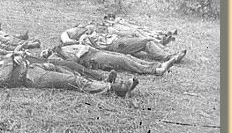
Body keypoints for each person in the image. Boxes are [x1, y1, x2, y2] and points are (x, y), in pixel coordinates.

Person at [0, 52, 139, 97]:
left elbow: (14, 61)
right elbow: (4, 79)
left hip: (36, 67)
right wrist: (10, 60)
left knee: (70, 71)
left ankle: (104, 82)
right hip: (31, 77)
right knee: (70, 80)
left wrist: (16, 57)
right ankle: (114, 88)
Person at [61, 24, 186, 62]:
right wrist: (67, 40)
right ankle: (168, 57)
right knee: (146, 42)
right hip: (114, 45)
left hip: (115, 40)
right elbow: (65, 35)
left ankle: (165, 51)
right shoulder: (82, 37)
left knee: (141, 36)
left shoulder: (90, 32)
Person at [41, 44, 183, 76]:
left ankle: (159, 65)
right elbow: (75, 61)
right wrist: (60, 53)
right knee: (122, 60)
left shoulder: (64, 47)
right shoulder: (58, 57)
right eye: (45, 53)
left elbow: (82, 47)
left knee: (127, 57)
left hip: (93, 51)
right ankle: (156, 70)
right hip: (92, 57)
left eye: (47, 49)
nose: (48, 50)